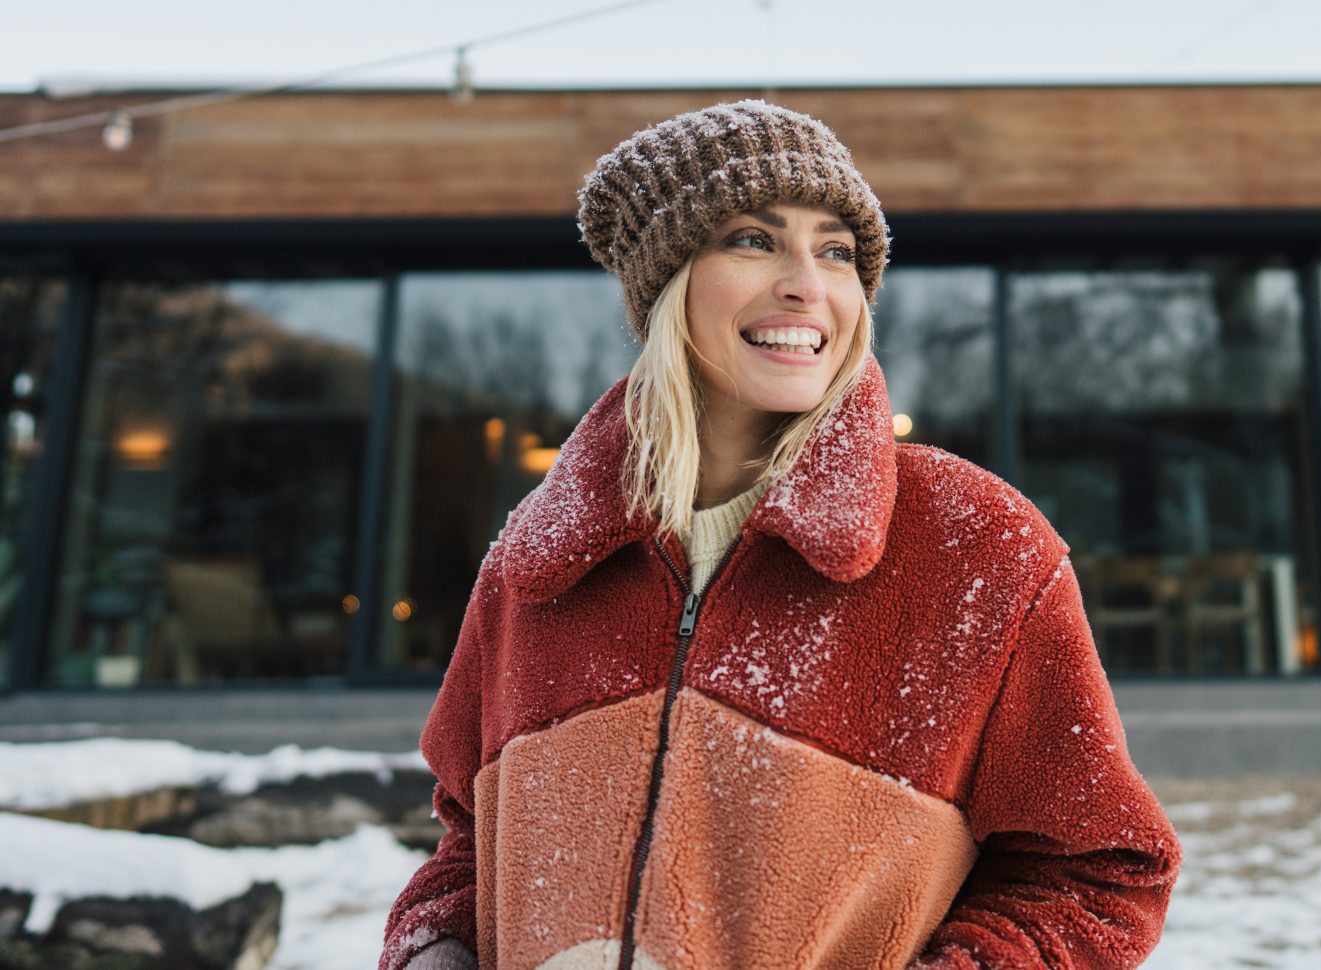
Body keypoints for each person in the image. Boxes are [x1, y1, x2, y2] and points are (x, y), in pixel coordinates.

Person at [381, 100, 1180, 970]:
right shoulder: (537, 563)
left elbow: (1100, 871)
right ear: (668, 284)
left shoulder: (975, 546)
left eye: (836, 251)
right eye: (754, 240)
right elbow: (468, 847)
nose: (809, 283)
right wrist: (436, 954)